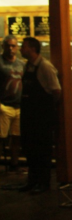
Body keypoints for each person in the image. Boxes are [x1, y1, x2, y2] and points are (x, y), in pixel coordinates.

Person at [19, 37, 61, 194]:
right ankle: (32, 181)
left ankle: (43, 183)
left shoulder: (45, 66)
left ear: (32, 48)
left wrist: (46, 107)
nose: (21, 49)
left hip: (41, 116)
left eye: (23, 46)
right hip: (28, 114)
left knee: (42, 150)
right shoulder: (28, 66)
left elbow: (56, 90)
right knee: (30, 148)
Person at [0, 35, 24, 173]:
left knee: (16, 137)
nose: (10, 48)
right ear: (3, 46)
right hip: (4, 105)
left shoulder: (21, 64)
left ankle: (14, 164)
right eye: (8, 45)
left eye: (13, 46)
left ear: (17, 47)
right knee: (1, 136)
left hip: (18, 106)